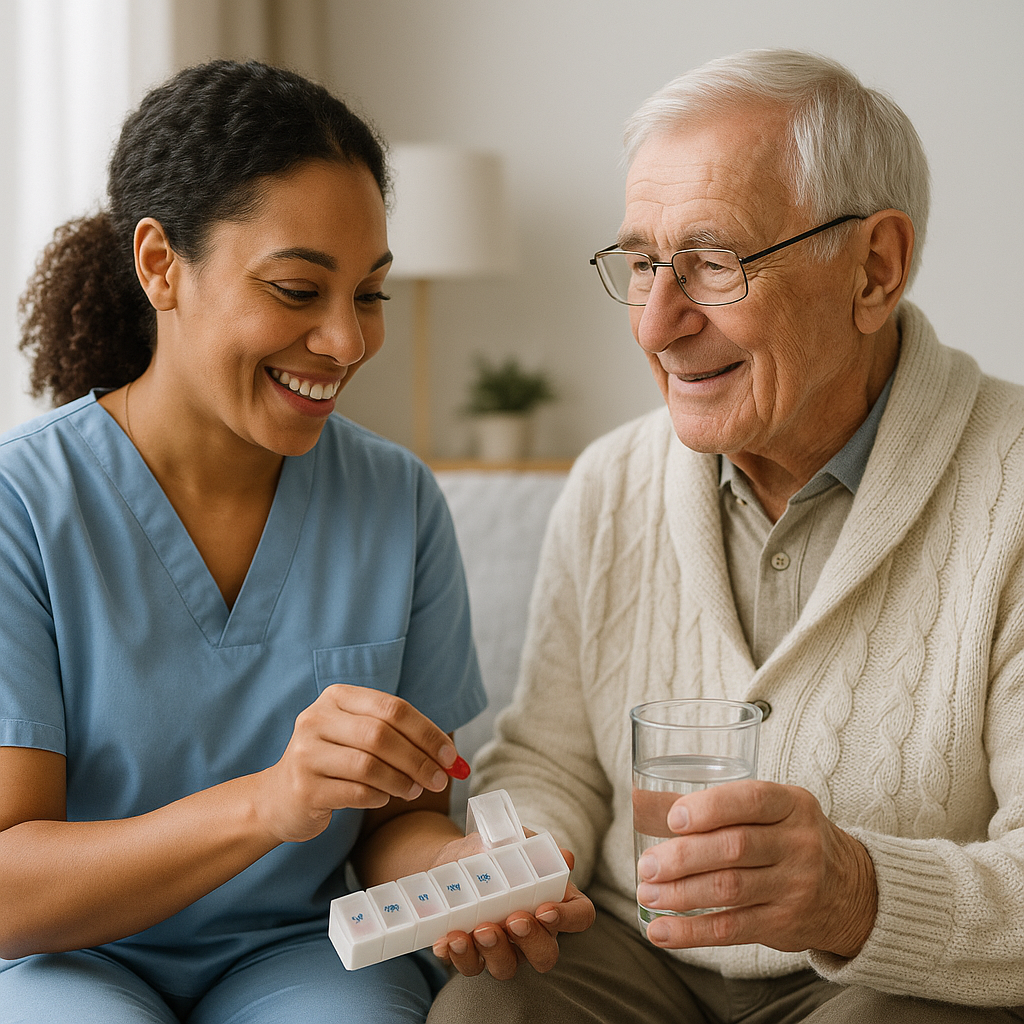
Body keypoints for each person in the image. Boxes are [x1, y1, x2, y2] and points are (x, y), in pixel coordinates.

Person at [427, 49, 1024, 1023]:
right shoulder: (609, 482)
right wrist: (514, 859)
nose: (656, 323)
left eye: (711, 263)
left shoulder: (1012, 487)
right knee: (483, 1009)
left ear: (874, 268)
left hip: (877, 972)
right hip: (634, 952)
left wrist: (854, 892)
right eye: (640, 263)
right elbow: (550, 761)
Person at [0, 58, 523, 1024]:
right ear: (160, 264)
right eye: (295, 290)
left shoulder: (397, 501)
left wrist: (466, 875)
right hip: (68, 954)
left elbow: (399, 826)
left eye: (369, 295)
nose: (346, 343)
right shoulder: (20, 507)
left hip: (307, 952)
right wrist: (270, 801)